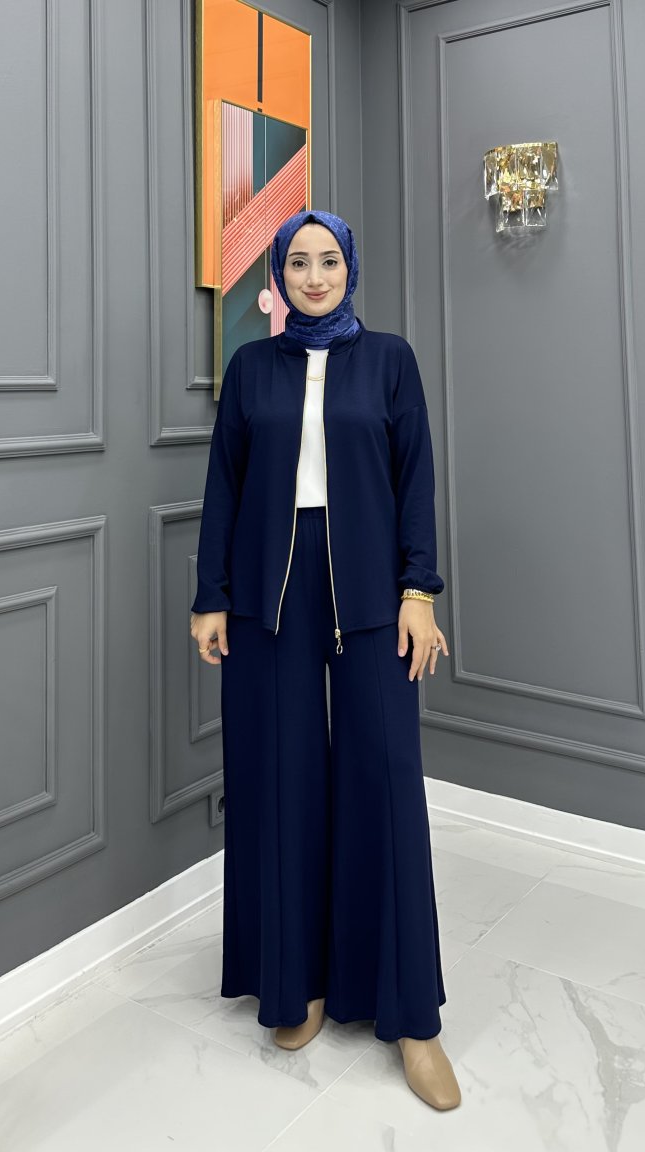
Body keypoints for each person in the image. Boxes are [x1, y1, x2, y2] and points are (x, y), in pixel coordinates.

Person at [189, 209, 460, 1111]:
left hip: (374, 593)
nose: (314, 276)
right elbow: (224, 484)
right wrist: (210, 595)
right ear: (278, 274)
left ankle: (412, 1020)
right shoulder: (251, 368)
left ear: (350, 269)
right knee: (281, 782)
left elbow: (414, 479)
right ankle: (296, 981)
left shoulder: (389, 360)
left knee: (385, 783)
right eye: (299, 262)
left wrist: (420, 590)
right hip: (268, 593)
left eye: (329, 261)